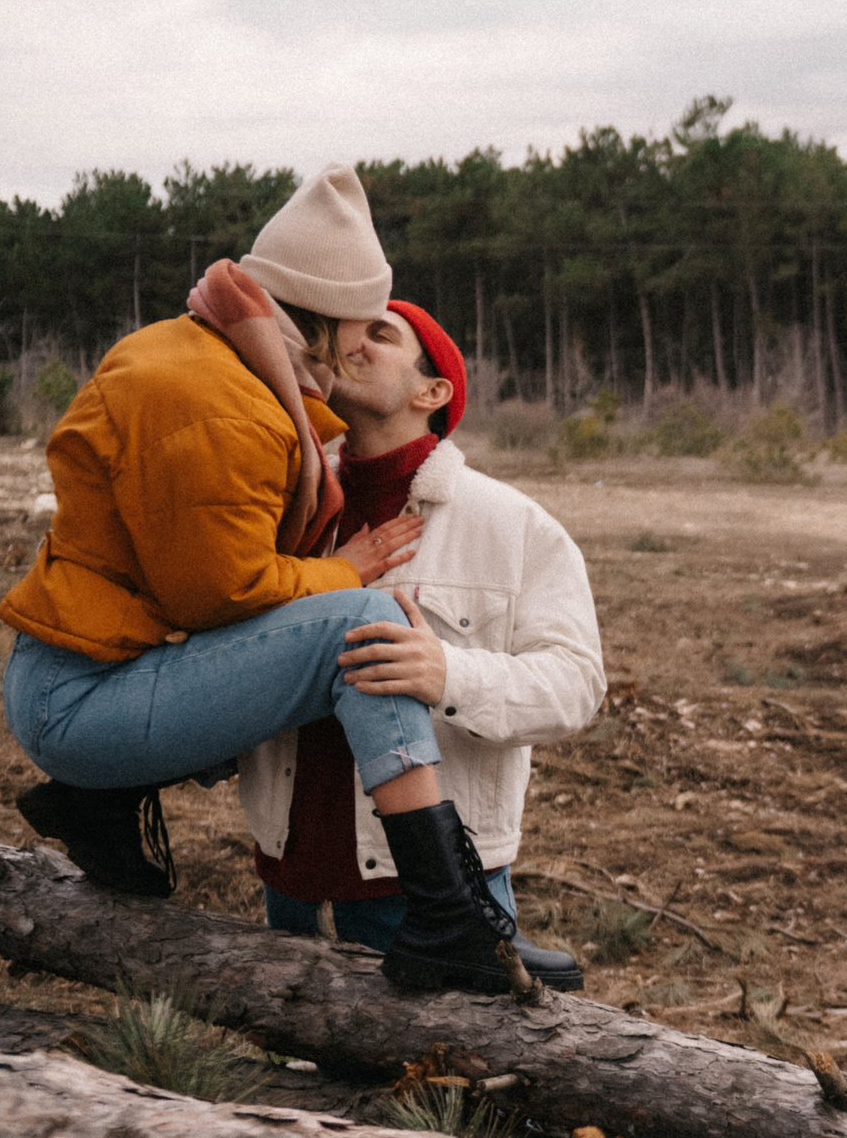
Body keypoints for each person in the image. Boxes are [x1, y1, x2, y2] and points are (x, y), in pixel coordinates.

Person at [0, 164, 522, 996]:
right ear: (325, 309)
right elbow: (216, 597)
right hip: (79, 699)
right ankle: (449, 913)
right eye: (361, 322)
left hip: (83, 676)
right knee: (362, 619)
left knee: (337, 621)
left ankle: (95, 803)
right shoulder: (219, 400)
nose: (360, 343)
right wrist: (338, 572)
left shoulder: (207, 356)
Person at [238, 299, 604, 991]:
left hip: (430, 895)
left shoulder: (511, 524)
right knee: (306, 1096)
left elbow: (578, 682)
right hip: (290, 885)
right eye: (348, 331)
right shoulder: (290, 507)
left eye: (382, 335)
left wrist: (448, 673)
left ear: (431, 392)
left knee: (467, 1096)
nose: (355, 343)